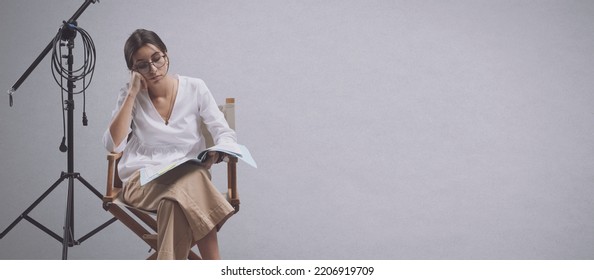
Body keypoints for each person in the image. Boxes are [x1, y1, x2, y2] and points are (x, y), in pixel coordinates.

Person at [102, 29, 236, 260]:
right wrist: (132, 93)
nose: (153, 69)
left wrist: (217, 151)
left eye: (157, 59)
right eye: (142, 65)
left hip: (186, 181)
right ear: (133, 71)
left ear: (166, 55)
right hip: (142, 182)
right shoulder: (129, 94)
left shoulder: (195, 87)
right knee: (193, 183)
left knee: (173, 202)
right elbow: (113, 145)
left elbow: (224, 132)